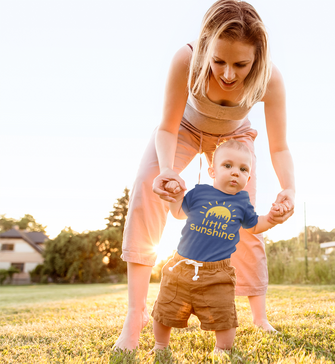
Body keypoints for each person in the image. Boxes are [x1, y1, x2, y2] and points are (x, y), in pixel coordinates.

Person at [114, 0, 295, 350]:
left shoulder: (270, 80)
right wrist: (167, 170)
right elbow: (166, 127)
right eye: (219, 62)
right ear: (206, 46)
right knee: (146, 191)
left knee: (244, 216)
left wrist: (289, 188)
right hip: (182, 129)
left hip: (234, 138)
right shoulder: (186, 59)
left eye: (240, 64)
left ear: (257, 58)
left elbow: (280, 148)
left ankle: (259, 315)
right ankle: (135, 315)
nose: (228, 74)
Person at [151, 140, 287, 354]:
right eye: (228, 166)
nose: (235, 173)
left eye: (243, 169)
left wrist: (272, 218)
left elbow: (254, 226)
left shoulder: (242, 202)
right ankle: (160, 346)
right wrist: (176, 197)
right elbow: (178, 213)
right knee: (165, 309)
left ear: (248, 178)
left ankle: (222, 349)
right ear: (212, 171)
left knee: (224, 315)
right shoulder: (199, 193)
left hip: (218, 273)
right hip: (181, 267)